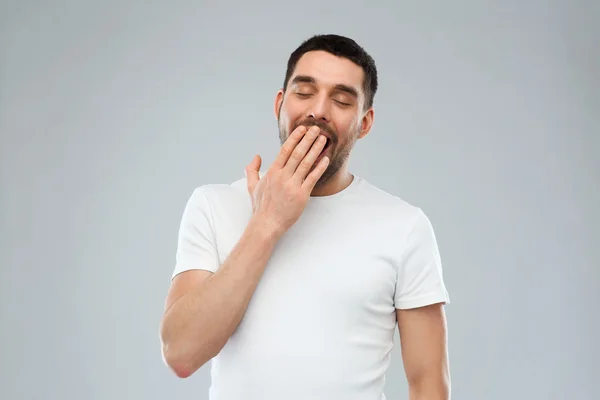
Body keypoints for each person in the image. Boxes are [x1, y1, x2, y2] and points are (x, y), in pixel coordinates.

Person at [159, 34, 451, 400]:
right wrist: (268, 221)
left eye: (342, 100)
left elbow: (429, 385)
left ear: (364, 122)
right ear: (280, 104)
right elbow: (181, 354)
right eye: (304, 92)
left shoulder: (405, 227)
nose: (320, 110)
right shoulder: (213, 205)